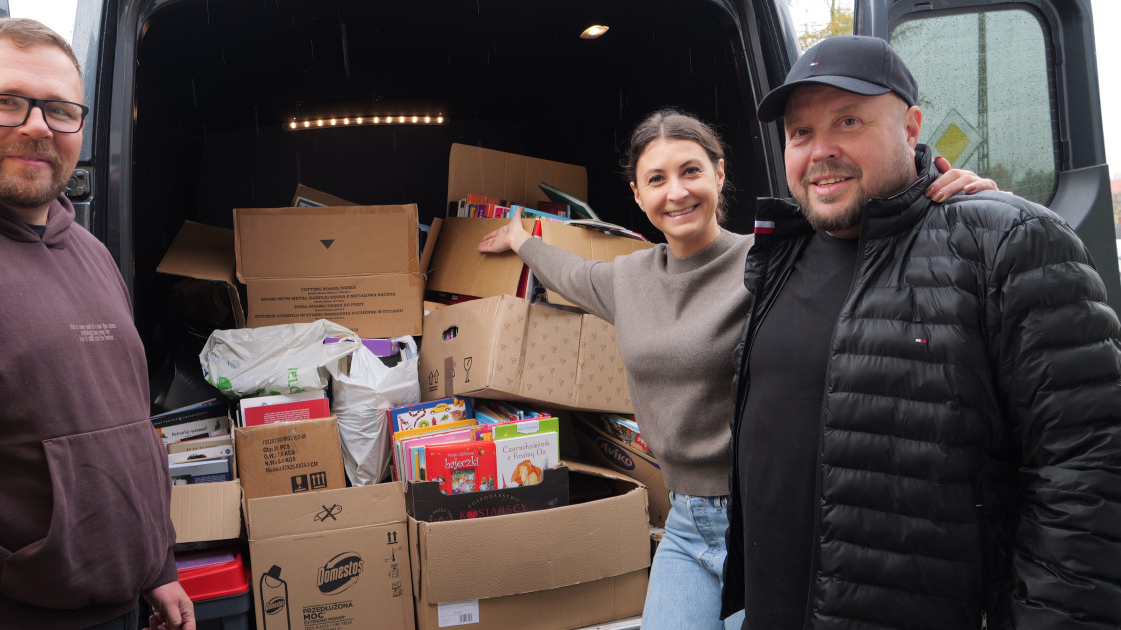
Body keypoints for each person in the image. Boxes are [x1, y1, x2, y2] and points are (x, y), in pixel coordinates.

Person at [478, 108, 990, 628]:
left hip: (768, 522)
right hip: (684, 524)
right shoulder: (629, 278)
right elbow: (572, 272)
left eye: (691, 171)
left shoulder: (777, 261)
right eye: (657, 179)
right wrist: (521, 240)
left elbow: (873, 237)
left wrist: (957, 204)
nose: (676, 192)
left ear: (719, 175)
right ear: (637, 195)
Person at [721, 35, 1121, 629]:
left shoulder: (1004, 243)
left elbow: (1089, 474)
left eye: (849, 120)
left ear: (911, 127)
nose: (820, 150)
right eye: (800, 133)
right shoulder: (777, 257)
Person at [0, 18, 194, 630]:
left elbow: (123, 430)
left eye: (59, 110)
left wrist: (158, 562)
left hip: (121, 608)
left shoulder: (89, 251)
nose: (37, 126)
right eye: (7, 102)